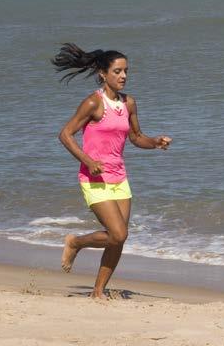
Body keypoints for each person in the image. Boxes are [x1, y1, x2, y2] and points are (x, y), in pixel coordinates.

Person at [53, 43, 172, 299]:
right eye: (117, 71)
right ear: (103, 74)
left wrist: (155, 143)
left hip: (119, 178)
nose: (123, 76)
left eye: (126, 71)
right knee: (118, 233)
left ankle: (98, 292)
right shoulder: (93, 103)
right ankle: (75, 243)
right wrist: (87, 160)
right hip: (94, 178)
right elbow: (65, 134)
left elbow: (137, 137)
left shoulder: (129, 103)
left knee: (119, 239)